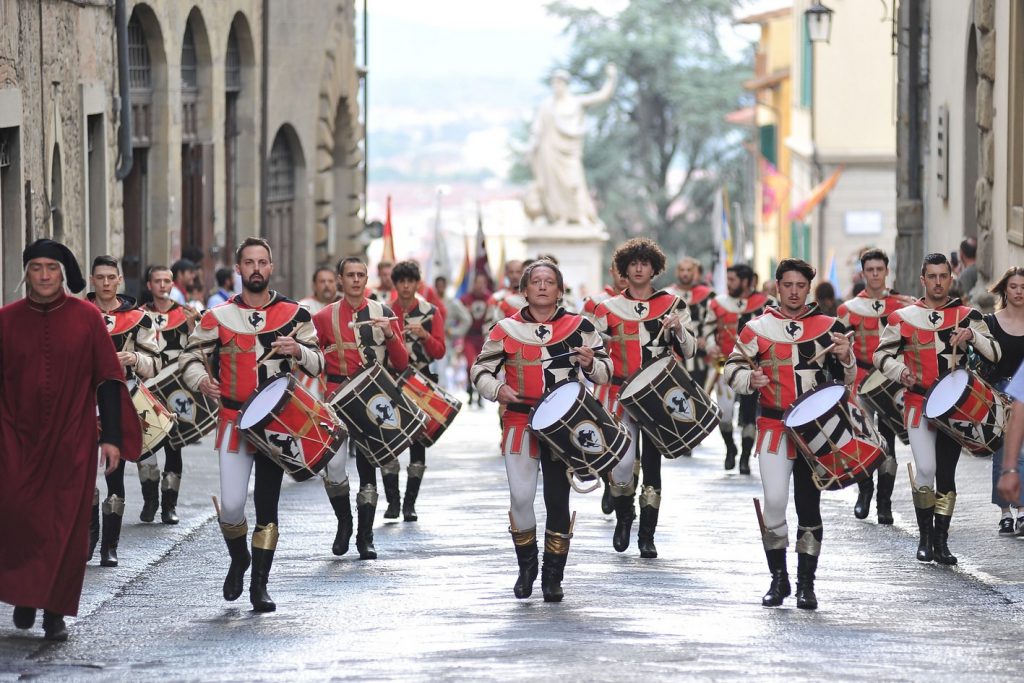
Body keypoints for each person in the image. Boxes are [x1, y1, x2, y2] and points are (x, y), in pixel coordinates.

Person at [0, 240, 141, 641]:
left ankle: (55, 611)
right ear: (25, 273)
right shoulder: (6, 320)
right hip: (16, 438)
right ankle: (26, 595)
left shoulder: (86, 317)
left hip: (72, 437)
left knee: (66, 525)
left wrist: (111, 438)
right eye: (36, 268)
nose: (44, 276)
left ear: (64, 274)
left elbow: (109, 379)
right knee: (17, 515)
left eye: (51, 268)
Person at [180, 237, 324, 613]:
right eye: (249, 262)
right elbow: (190, 357)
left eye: (263, 261)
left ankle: (260, 584)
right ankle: (240, 558)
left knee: (267, 505)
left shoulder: (296, 314)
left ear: (271, 267)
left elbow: (319, 362)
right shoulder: (218, 316)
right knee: (230, 505)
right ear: (240, 268)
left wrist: (300, 351)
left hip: (279, 422)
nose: (256, 268)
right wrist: (200, 380)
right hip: (232, 420)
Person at [471, 259, 611, 601]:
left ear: (560, 290)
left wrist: (591, 362)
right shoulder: (504, 329)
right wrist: (496, 389)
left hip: (566, 425)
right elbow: (480, 371)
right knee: (520, 497)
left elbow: (607, 371)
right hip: (520, 419)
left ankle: (553, 576)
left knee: (557, 499)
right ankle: (526, 567)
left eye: (550, 281)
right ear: (525, 290)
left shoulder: (581, 326)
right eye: (537, 282)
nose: (544, 287)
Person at [726, 258, 855, 609]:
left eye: (800, 285)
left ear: (808, 287)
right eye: (788, 285)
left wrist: (846, 359)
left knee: (810, 506)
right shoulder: (757, 328)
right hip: (772, 427)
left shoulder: (829, 326)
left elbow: (845, 383)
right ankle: (778, 579)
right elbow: (733, 367)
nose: (794, 292)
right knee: (775, 501)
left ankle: (806, 584)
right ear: (777, 286)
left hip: (817, 430)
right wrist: (748, 380)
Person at [874, 253, 1000, 566]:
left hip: (954, 409)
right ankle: (925, 537)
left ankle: (941, 541)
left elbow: (995, 352)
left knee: (946, 473)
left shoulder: (967, 314)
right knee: (926, 468)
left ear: (950, 278)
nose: (939, 282)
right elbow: (881, 356)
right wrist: (900, 371)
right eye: (932, 276)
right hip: (917, 403)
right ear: (923, 280)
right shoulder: (902, 318)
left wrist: (972, 336)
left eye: (944, 276)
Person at [593, 238, 695, 558]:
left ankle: (647, 535)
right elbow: (595, 352)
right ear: (624, 269)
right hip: (621, 394)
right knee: (622, 467)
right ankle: (625, 519)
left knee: (653, 466)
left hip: (658, 395)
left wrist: (679, 331)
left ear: (654, 268)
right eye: (633, 263)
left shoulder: (674, 304)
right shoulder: (606, 308)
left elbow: (690, 351)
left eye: (644, 263)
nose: (639, 268)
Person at [312, 257, 409, 560]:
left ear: (367, 279)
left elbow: (403, 362)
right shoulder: (323, 317)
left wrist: (391, 334)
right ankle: (345, 523)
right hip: (336, 396)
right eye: (350, 275)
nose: (356, 280)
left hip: (371, 395)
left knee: (369, 464)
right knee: (335, 465)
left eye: (361, 275)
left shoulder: (384, 312)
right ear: (340, 280)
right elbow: (312, 360)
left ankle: (365, 537)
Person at [87, 256, 160, 567]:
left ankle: (110, 546)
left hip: (120, 398)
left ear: (119, 280)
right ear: (92, 280)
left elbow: (155, 361)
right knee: (84, 474)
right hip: (82, 401)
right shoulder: (78, 314)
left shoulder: (139, 318)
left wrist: (133, 358)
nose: (105, 283)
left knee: (114, 473)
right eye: (100, 277)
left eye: (110, 277)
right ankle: (90, 538)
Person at [835, 249, 909, 524]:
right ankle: (864, 492)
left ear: (886, 271)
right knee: (863, 437)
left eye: (880, 269)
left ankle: (884, 503)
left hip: (890, 381)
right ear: (863, 273)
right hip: (861, 378)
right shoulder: (848, 309)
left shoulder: (903, 305)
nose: (876, 274)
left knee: (888, 441)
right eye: (870, 270)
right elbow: (838, 346)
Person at [138, 265, 196, 525]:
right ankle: (150, 501)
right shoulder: (137, 315)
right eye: (157, 281)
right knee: (146, 445)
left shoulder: (184, 315)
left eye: (167, 281)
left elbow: (196, 348)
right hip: (146, 387)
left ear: (172, 284)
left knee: (174, 446)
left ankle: (169, 505)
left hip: (175, 388)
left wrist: (196, 323)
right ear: (149, 285)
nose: (162, 285)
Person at [523, 65, 617, 225]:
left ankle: (580, 215)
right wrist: (530, 148)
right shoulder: (547, 106)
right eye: (554, 83)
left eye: (559, 83)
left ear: (566, 84)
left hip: (569, 152)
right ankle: (561, 216)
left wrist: (611, 78)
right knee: (554, 186)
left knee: (574, 183)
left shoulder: (575, 103)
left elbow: (601, 96)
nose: (556, 86)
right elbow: (537, 129)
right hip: (549, 151)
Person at [389, 260, 446, 522]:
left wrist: (424, 335)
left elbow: (440, 351)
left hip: (421, 380)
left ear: (416, 283)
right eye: (401, 282)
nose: (405, 287)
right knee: (389, 440)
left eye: (410, 281)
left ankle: (410, 503)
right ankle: (392, 501)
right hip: (391, 381)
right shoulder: (386, 311)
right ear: (396, 284)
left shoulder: (431, 312)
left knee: (418, 442)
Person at [704, 264, 773, 473]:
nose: (729, 283)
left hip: (753, 368)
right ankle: (730, 448)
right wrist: (710, 344)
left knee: (749, 415)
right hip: (723, 364)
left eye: (733, 279)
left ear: (745, 281)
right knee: (724, 414)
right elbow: (708, 328)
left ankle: (745, 456)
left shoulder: (767, 304)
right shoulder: (717, 303)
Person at [981, 268, 1024, 534]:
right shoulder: (990, 323)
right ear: (1004, 291)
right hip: (998, 393)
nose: (1019, 291)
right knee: (1003, 453)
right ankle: (1006, 512)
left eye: (1023, 286)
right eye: (1014, 286)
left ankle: (1022, 510)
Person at [663, 257, 716, 412]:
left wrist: (707, 340)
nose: (685, 274)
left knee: (699, 401)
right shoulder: (666, 295)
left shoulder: (708, 295)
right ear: (676, 272)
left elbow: (712, 322)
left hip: (701, 358)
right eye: (682, 270)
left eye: (689, 270)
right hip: (674, 356)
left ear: (695, 273)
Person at [460, 273, 492, 407]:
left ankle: (479, 393)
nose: (479, 286)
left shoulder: (490, 299)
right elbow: (458, 318)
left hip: (483, 337)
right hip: (469, 336)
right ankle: (469, 388)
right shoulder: (465, 299)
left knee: (482, 365)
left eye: (482, 283)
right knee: (469, 364)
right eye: (477, 282)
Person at [435, 275, 471, 391]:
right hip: (429, 340)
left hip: (445, 341)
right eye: (438, 286)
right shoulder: (430, 301)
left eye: (442, 286)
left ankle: (441, 399)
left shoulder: (452, 303)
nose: (440, 288)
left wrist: (454, 332)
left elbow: (467, 319)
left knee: (441, 372)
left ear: (445, 287)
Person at [487, 260, 526, 325]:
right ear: (506, 274)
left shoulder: (532, 298)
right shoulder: (497, 298)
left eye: (518, 272)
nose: (515, 276)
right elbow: (489, 325)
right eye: (511, 272)